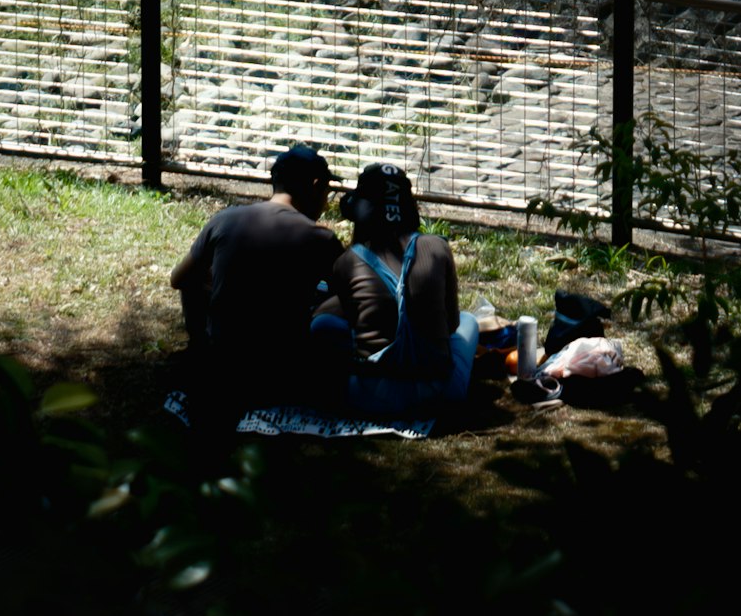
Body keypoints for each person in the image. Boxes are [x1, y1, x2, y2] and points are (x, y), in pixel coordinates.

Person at [312, 163, 541, 423]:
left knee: (323, 323)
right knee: (467, 320)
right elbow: (452, 324)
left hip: (367, 397)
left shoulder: (348, 261)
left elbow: (342, 319)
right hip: (437, 395)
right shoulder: (435, 247)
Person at [169, 144, 341, 426]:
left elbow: (179, 279)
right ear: (316, 185)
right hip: (279, 375)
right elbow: (353, 293)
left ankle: (199, 352)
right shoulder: (320, 239)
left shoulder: (225, 218)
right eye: (327, 193)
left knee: (196, 278)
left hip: (222, 368)